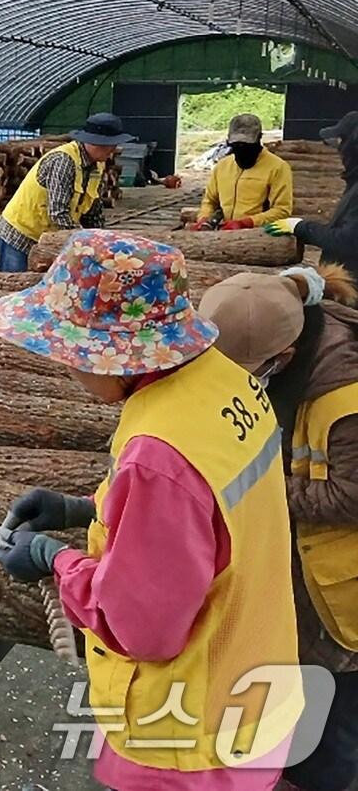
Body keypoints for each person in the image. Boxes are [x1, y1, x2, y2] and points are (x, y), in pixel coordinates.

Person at [0, 230, 302, 791]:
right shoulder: (228, 381)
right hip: (255, 682)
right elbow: (208, 525)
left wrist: (54, 561)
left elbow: (142, 627)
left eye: (69, 352)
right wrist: (83, 510)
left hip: (189, 737)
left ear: (115, 354)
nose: (66, 367)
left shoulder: (158, 455)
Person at [198, 265, 358, 791]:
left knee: (332, 729)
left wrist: (256, 490)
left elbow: (350, 494)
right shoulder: (287, 338)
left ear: (281, 359)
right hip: (298, 573)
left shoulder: (344, 395)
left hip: (340, 594)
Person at [0, 112, 134, 272]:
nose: (114, 150)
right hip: (21, 234)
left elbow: (93, 212)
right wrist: (83, 244)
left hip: (47, 238)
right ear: (97, 143)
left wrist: (100, 241)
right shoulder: (63, 161)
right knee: (14, 289)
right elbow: (59, 212)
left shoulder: (97, 166)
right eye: (112, 145)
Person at [264, 112, 358, 280]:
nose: (340, 149)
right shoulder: (354, 182)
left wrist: (301, 227)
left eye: (343, 141)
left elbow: (348, 241)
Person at [187, 113, 293, 231]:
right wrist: (204, 218)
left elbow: (282, 210)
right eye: (236, 146)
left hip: (257, 235)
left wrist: (247, 223)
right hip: (224, 232)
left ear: (259, 139)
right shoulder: (222, 166)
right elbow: (210, 201)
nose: (241, 150)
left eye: (246, 145)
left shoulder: (277, 167)